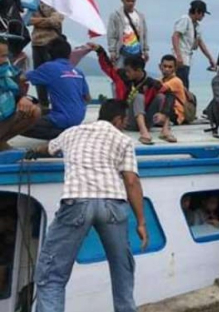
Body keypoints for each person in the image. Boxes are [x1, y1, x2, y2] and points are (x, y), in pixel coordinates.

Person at [31, 99, 148, 312]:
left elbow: (47, 148)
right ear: (118, 119)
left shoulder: (73, 132)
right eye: (125, 120)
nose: (125, 124)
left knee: (52, 275)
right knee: (122, 268)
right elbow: (131, 181)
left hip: (77, 201)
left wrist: (32, 152)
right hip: (113, 204)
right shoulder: (123, 140)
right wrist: (141, 222)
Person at [90, 43, 177, 145]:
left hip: (146, 119)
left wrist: (163, 112)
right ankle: (143, 132)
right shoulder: (122, 76)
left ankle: (165, 130)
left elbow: (170, 95)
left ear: (138, 71)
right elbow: (107, 67)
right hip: (126, 120)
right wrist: (100, 50)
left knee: (162, 96)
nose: (126, 73)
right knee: (138, 96)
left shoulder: (151, 83)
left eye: (129, 71)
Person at [22, 37, 90, 140]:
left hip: (61, 118)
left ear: (49, 54)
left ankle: (62, 136)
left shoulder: (49, 67)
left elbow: (21, 78)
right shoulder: (78, 71)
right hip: (78, 118)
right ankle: (69, 131)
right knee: (43, 111)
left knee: (18, 124)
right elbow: (88, 98)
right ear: (68, 54)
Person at [0, 39, 41, 151]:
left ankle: (1, 142)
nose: (3, 60)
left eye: (4, 56)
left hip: (4, 117)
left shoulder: (10, 73)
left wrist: (23, 98)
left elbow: (18, 92)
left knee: (33, 111)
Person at [171, 0, 216, 89]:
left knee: (184, 83)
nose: (203, 16)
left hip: (188, 58)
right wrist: (178, 55)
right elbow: (175, 36)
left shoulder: (196, 25)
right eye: (202, 13)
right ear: (196, 11)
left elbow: (200, 42)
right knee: (182, 85)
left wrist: (210, 58)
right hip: (182, 56)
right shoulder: (185, 20)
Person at [29, 0, 64, 111]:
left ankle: (57, 105)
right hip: (36, 44)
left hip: (51, 44)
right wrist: (45, 21)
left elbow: (56, 21)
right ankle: (43, 105)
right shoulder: (34, 6)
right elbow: (27, 21)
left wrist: (37, 21)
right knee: (39, 76)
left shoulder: (56, 5)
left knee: (53, 76)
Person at [107, 0, 150, 65]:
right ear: (122, 0)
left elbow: (144, 34)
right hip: (122, 51)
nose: (130, 3)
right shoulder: (115, 16)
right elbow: (111, 34)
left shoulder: (140, 16)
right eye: (128, 1)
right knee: (120, 74)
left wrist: (145, 50)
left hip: (137, 52)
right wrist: (112, 51)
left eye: (132, 1)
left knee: (135, 75)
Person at [159, 55, 189, 125]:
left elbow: (160, 89)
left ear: (175, 68)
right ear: (160, 67)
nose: (167, 69)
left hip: (176, 114)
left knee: (162, 96)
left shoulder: (176, 81)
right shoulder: (161, 80)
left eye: (170, 67)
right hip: (166, 110)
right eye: (165, 66)